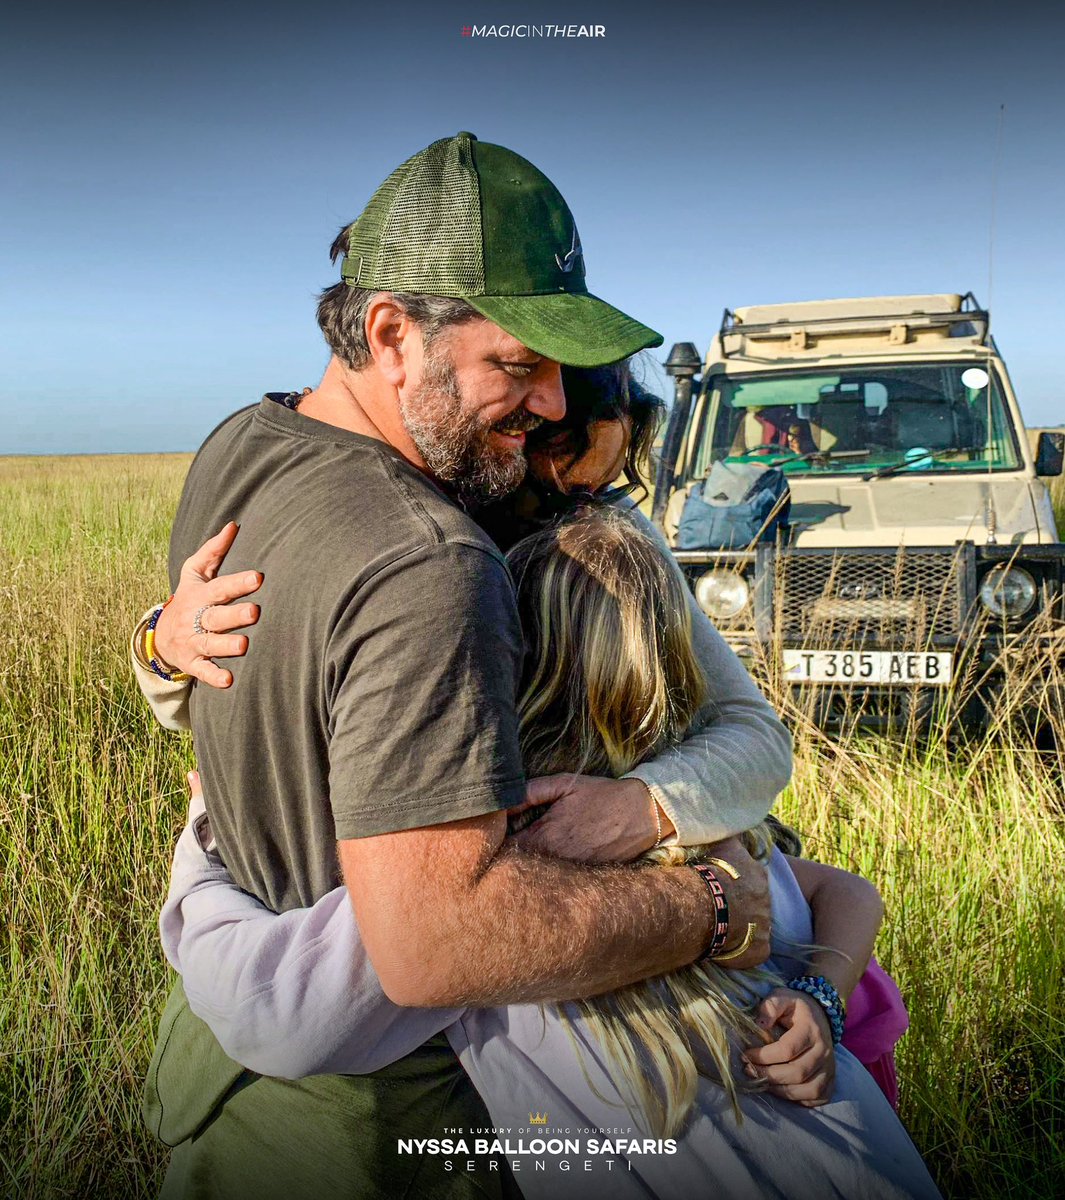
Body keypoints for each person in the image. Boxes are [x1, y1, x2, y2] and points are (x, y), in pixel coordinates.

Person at [138, 132, 787, 1199]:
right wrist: (715, 910)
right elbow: (435, 942)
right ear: (391, 334)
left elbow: (753, 733)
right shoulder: (433, 554)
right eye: (520, 371)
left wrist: (643, 809)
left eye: (603, 478)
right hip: (386, 1122)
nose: (550, 428)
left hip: (228, 1082)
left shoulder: (243, 443)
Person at [142, 504, 937, 1200]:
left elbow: (279, 1015)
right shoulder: (708, 827)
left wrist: (204, 843)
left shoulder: (499, 869)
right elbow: (844, 891)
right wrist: (821, 1001)